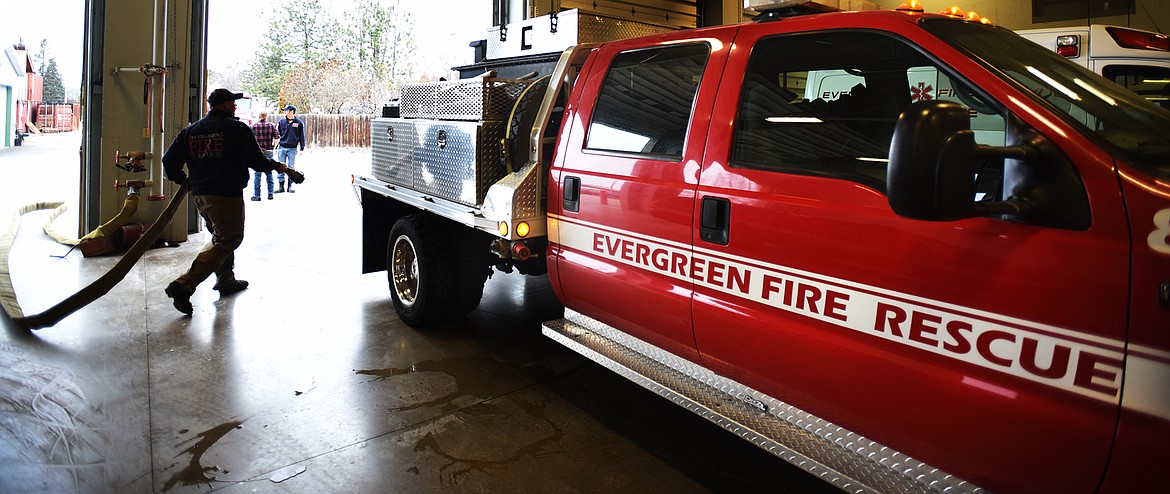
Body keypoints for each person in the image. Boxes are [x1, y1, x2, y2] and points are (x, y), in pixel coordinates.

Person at [161, 88, 304, 315]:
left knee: (220, 238)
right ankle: (184, 285)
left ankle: (226, 280)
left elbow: (168, 160)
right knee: (228, 239)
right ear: (227, 104)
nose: (235, 107)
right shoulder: (237, 129)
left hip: (200, 196)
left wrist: (185, 181)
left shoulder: (191, 131)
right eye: (234, 103)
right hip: (225, 195)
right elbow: (257, 162)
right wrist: (282, 167)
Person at [275, 104, 306, 193]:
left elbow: (301, 136)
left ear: (291, 112)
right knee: (280, 167)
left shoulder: (299, 123)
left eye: (286, 110)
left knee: (291, 168)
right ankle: (281, 186)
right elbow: (278, 135)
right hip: (282, 147)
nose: (284, 112)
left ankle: (290, 186)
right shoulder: (281, 122)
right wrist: (276, 148)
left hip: (292, 149)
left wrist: (302, 149)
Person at [250, 111, 279, 201]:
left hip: (258, 152)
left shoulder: (253, 126)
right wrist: (273, 147)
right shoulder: (272, 126)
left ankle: (257, 195)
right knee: (269, 172)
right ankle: (270, 193)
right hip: (268, 151)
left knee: (257, 174)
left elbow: (250, 140)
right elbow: (277, 138)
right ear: (266, 117)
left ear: (259, 116)